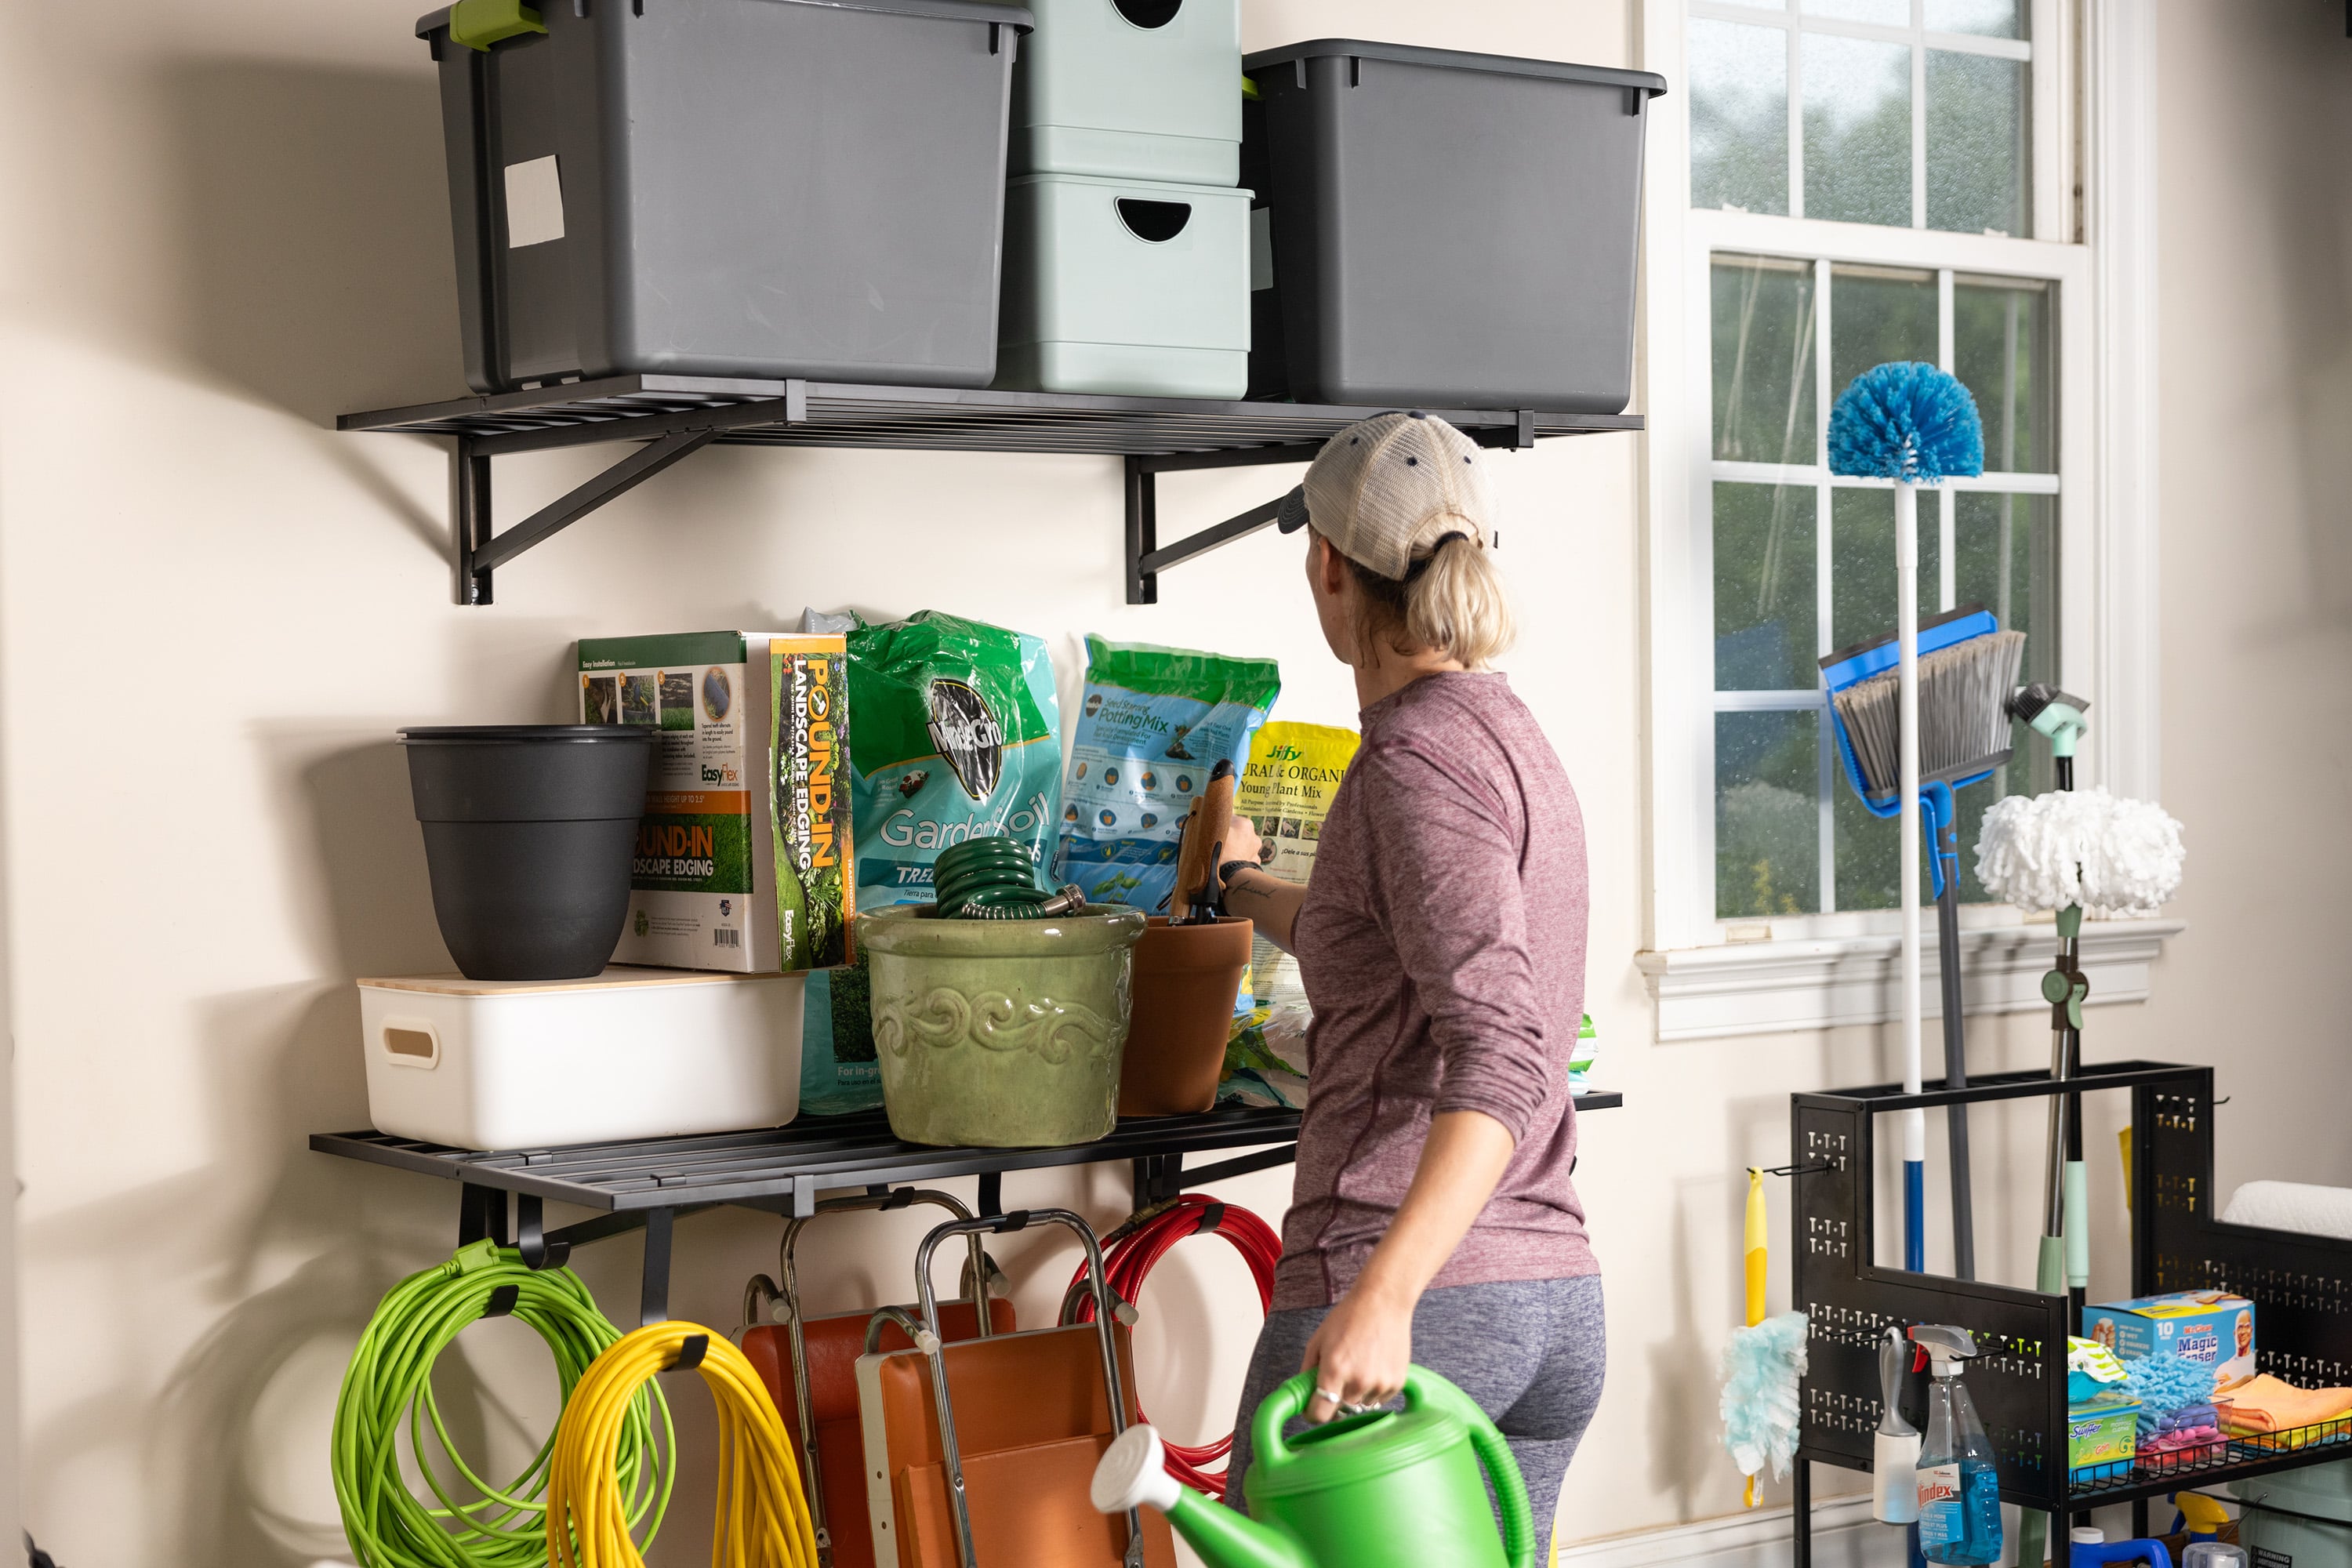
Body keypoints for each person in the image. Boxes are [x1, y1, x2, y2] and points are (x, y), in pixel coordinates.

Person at [1213, 411, 1602, 1541]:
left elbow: (1503, 1048)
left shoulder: (1411, 764)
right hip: (1548, 1299)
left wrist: (1384, 1298)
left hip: (1414, 1295)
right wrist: (1242, 887)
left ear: (1327, 567)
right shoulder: (1506, 736)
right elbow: (1380, 938)